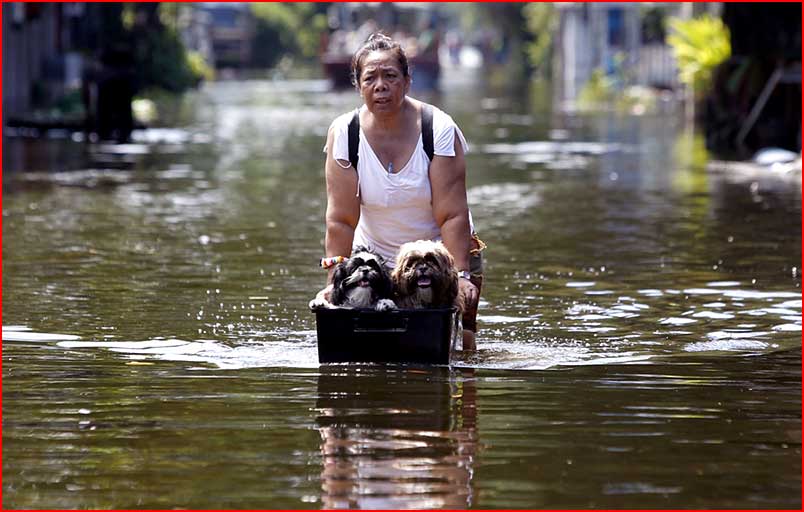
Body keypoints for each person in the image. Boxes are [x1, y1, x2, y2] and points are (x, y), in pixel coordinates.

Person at [314, 32, 485, 350]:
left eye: (390, 76)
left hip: (439, 259)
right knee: (372, 350)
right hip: (375, 259)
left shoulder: (439, 129)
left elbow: (452, 215)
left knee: (460, 350)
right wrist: (332, 284)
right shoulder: (345, 134)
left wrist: (460, 276)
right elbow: (340, 220)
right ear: (359, 86)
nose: (381, 85)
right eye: (371, 78)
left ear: (407, 81)